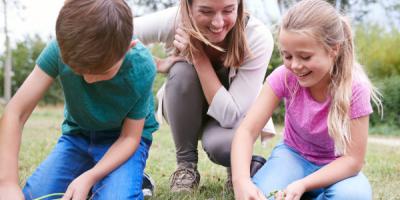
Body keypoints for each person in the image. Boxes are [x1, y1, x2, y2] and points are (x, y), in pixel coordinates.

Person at [0, 0, 159, 199]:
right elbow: (16, 112)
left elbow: (130, 138)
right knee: (35, 196)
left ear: (129, 47)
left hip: (122, 140)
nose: (89, 80)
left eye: (103, 71)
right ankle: (112, 179)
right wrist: (6, 183)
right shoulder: (60, 47)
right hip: (78, 136)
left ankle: (130, 177)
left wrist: (89, 177)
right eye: (79, 70)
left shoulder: (142, 66)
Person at [231, 0, 383, 199]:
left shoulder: (355, 88)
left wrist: (303, 184)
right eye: (287, 56)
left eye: (305, 57)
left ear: (333, 49)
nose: (295, 65)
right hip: (292, 157)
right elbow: (247, 130)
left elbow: (353, 161)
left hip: (338, 168)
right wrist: (241, 181)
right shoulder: (284, 77)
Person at [134, 0, 276, 192]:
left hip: (233, 119)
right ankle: (186, 167)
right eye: (206, 11)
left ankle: (237, 169)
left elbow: (229, 116)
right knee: (182, 71)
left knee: (224, 147)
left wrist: (197, 55)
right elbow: (116, 34)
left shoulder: (257, 36)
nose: (217, 23)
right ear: (188, 7)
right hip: (185, 108)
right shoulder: (175, 21)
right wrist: (156, 63)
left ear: (240, 6)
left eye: (228, 10)